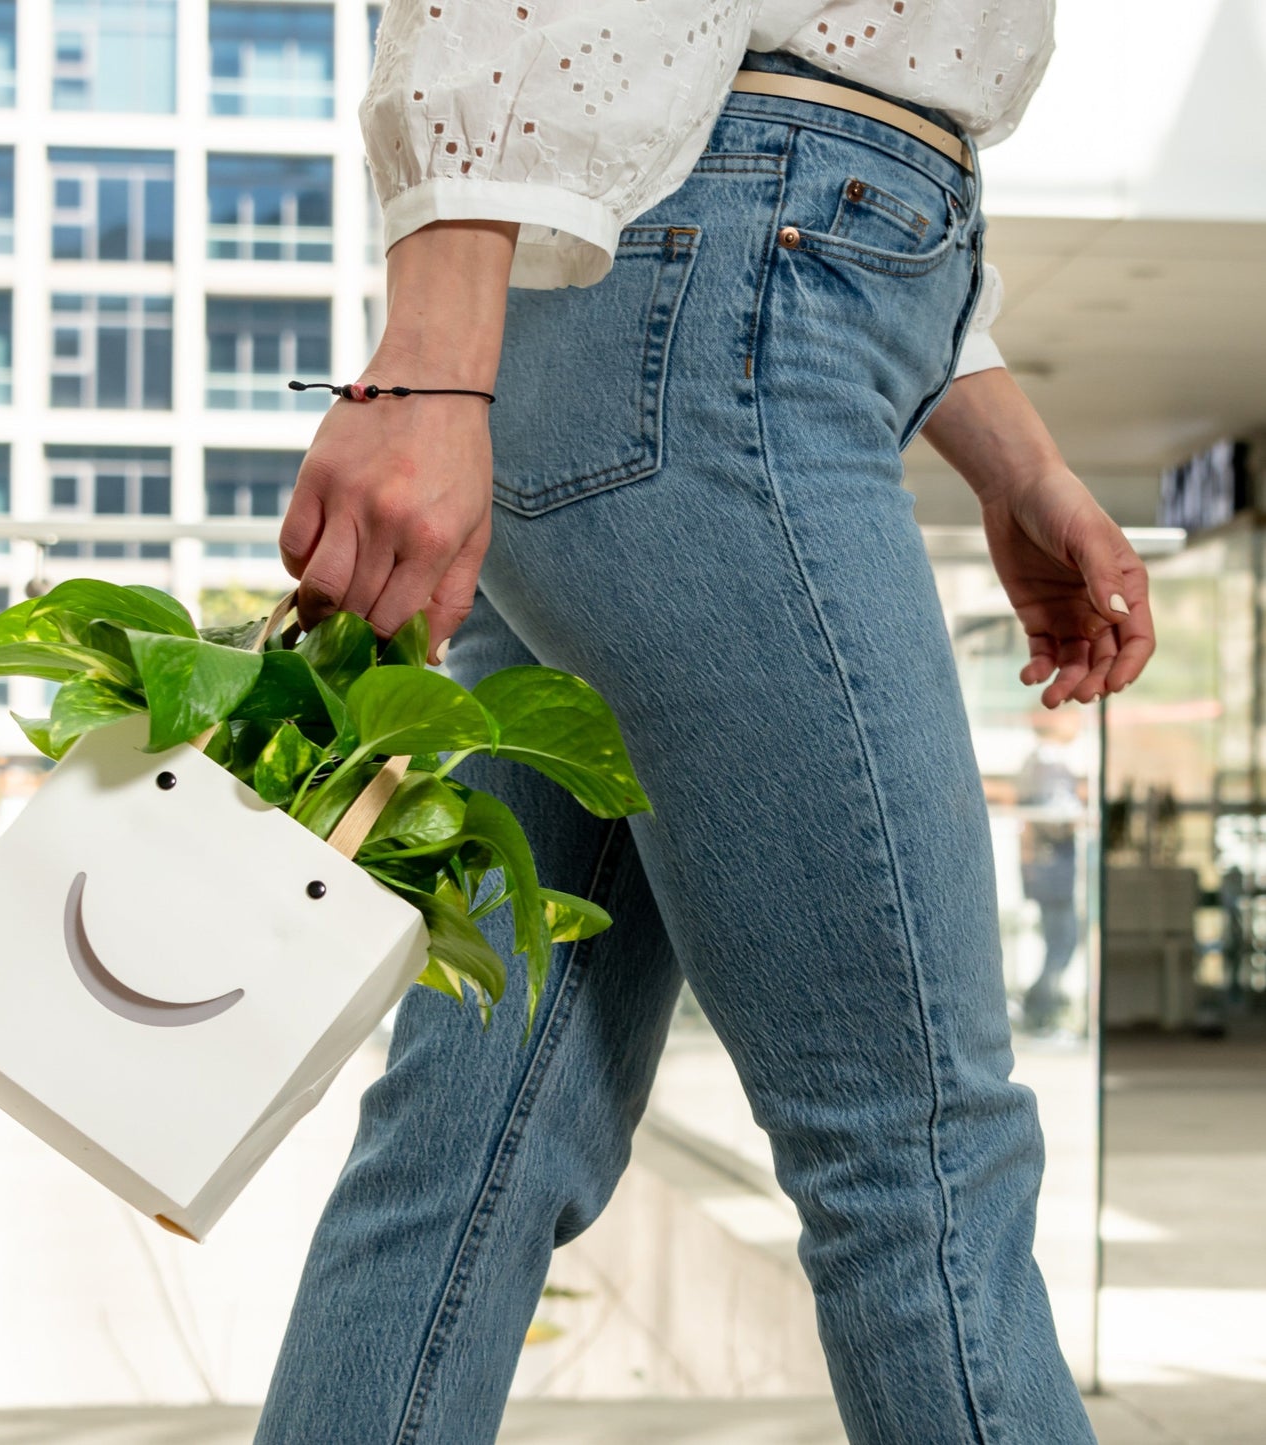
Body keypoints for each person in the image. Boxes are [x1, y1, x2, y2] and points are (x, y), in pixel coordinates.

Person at [256, 4, 1156, 1442]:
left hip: (688, 321)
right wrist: (428, 360)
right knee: (915, 1154)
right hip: (720, 328)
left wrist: (1011, 456)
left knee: (477, 1140)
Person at [1015, 706, 1088, 1033]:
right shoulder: (1047, 766)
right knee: (1062, 941)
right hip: (1050, 870)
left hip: (1050, 870)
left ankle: (1038, 1006)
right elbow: (1054, 821)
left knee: (1061, 941)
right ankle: (1039, 1009)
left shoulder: (1045, 764)